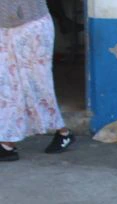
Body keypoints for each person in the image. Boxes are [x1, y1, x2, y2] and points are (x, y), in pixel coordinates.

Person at [1, 0, 75, 162]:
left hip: (31, 27)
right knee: (7, 86)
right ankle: (7, 144)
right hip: (5, 29)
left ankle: (64, 132)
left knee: (37, 84)